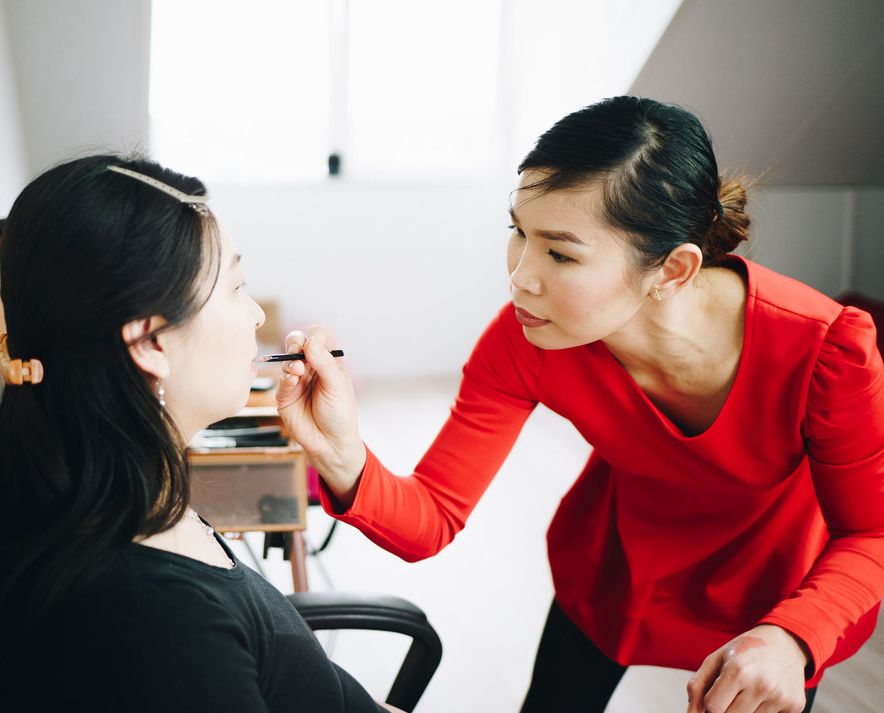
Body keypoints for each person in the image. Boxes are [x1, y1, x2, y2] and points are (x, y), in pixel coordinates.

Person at [276, 96, 884, 713]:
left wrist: (793, 636)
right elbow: (429, 516)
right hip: (614, 575)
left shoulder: (827, 351)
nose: (519, 276)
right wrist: (338, 448)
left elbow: (870, 533)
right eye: (518, 231)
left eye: (560, 253)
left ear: (672, 270)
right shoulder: (526, 339)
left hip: (774, 600)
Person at [0, 154, 400, 712]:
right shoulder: (155, 624)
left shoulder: (107, 482)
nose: (256, 317)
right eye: (236, 288)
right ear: (149, 343)